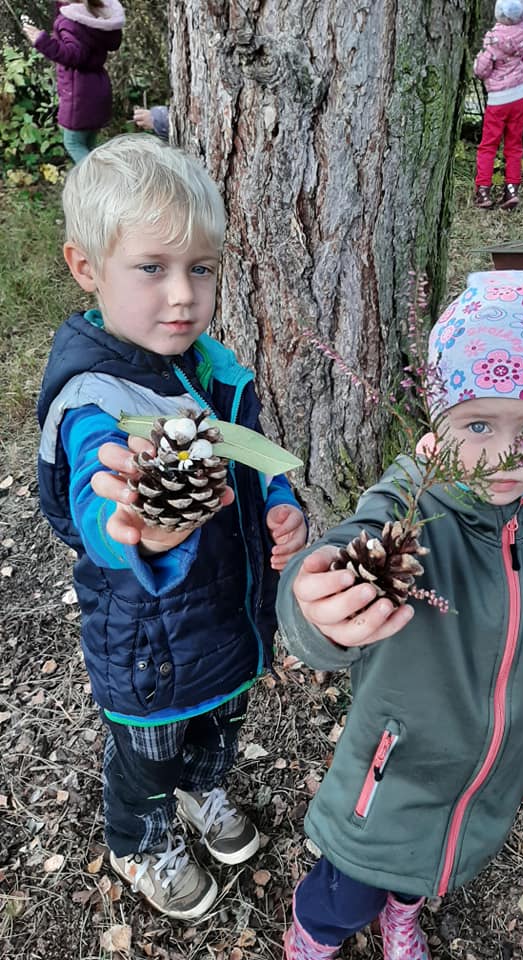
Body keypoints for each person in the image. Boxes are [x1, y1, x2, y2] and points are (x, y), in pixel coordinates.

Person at [276, 270, 523, 959]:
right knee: (348, 892)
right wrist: (316, 605)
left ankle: (404, 913)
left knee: (420, 874)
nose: (505, 454)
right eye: (477, 424)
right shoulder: (412, 505)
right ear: (436, 427)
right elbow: (349, 549)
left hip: (485, 778)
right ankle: (312, 935)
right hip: (393, 776)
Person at [36, 134, 307, 920]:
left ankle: (202, 790)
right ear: (87, 267)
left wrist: (281, 502)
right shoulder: (94, 399)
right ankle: (140, 838)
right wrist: (141, 532)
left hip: (227, 614)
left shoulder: (212, 366)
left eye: (201, 268)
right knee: (147, 755)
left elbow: (252, 456)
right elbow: (97, 502)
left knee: (220, 725)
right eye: (151, 268)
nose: (183, 295)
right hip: (148, 643)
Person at [22, 0, 125, 164]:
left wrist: (42, 41)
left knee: (73, 143)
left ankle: (97, 177)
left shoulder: (70, 21)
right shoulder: (96, 11)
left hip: (80, 93)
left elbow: (75, 55)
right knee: (89, 144)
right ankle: (99, 176)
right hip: (98, 87)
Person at [473, 0, 523, 210]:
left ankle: (483, 191)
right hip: (520, 96)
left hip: (498, 100)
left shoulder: (493, 40)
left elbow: (480, 70)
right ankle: (511, 190)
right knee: (514, 145)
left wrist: (480, 60)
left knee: (488, 145)